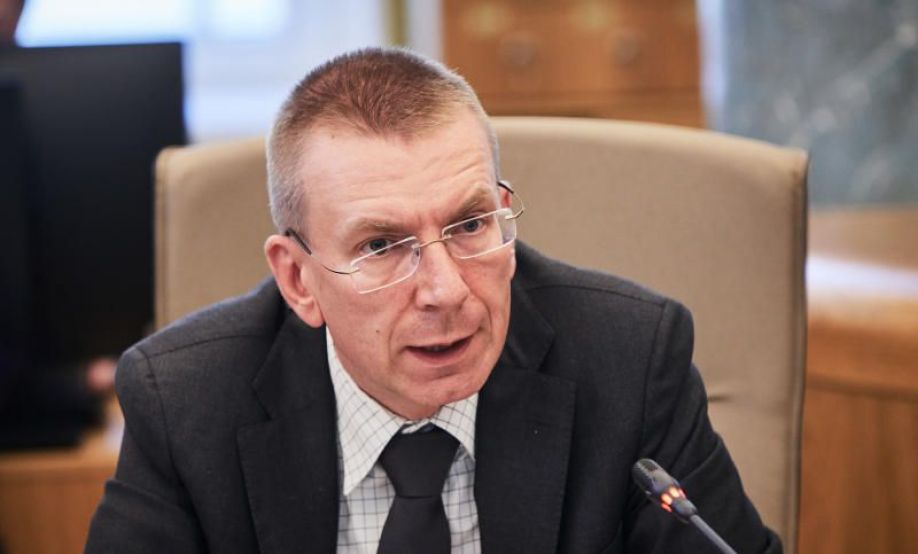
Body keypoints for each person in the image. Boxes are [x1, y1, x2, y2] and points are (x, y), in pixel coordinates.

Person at [86, 47, 781, 553]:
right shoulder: (185, 402)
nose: (446, 291)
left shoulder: (630, 361)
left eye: (471, 224)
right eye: (382, 245)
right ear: (298, 280)